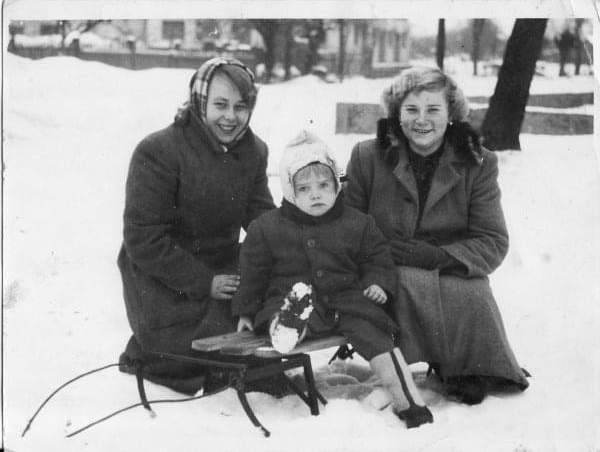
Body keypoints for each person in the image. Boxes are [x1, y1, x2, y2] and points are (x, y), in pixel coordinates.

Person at [344, 66, 529, 405]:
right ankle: (446, 364)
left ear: (451, 114)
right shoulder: (367, 156)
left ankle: (470, 367)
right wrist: (376, 255)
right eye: (411, 110)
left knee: (472, 291)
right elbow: (346, 227)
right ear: (396, 113)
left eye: (433, 110)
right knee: (404, 282)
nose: (422, 120)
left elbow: (492, 239)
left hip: (448, 264)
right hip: (385, 268)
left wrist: (439, 256)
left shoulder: (478, 162)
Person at [234, 130, 433, 429]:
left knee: (376, 337)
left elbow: (377, 258)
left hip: (349, 301)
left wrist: (378, 283)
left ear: (337, 185)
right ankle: (286, 326)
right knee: (289, 312)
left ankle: (410, 402)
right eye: (305, 188)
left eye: (324, 185)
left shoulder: (358, 223)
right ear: (290, 190)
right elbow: (253, 272)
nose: (316, 194)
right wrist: (246, 311)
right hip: (295, 300)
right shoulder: (267, 228)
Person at [117, 57, 275, 394]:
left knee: (269, 302)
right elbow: (143, 239)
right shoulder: (159, 150)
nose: (230, 117)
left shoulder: (253, 150)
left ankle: (252, 372)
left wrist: (297, 236)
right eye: (220, 104)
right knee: (221, 333)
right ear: (200, 102)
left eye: (240, 106)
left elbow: (262, 220)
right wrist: (205, 282)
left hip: (221, 267)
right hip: (164, 281)